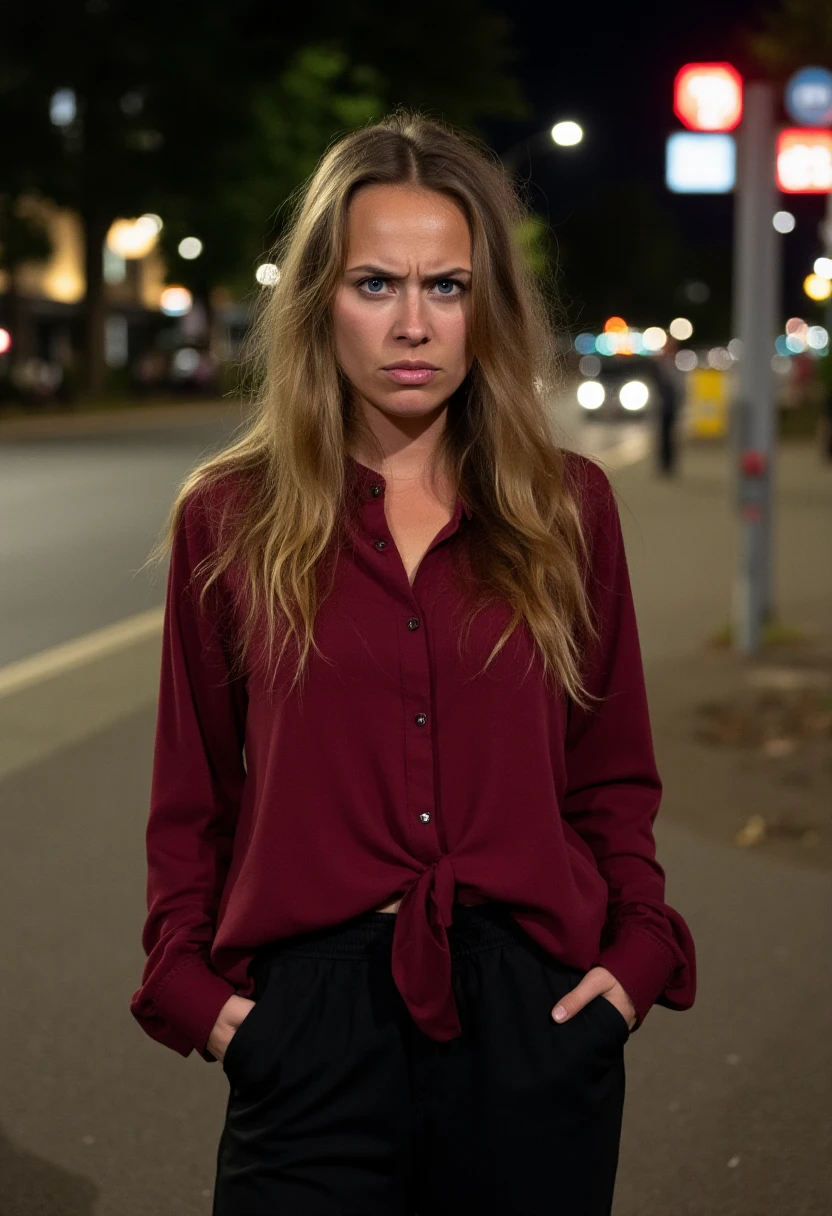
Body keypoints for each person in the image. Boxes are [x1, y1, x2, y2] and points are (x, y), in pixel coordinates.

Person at [130, 110, 696, 1216]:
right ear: (317, 305)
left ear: (486, 306)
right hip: (308, 1020)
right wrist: (197, 996)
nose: (413, 325)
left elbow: (612, 775)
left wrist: (632, 964)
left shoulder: (568, 509)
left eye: (446, 286)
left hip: (535, 1014)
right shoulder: (229, 516)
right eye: (375, 283)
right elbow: (194, 792)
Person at [652, 336, 683, 476]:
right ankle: (663, 465)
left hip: (672, 405)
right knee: (663, 436)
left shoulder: (675, 364)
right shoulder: (658, 364)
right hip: (662, 405)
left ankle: (670, 464)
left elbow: (678, 386)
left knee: (672, 436)